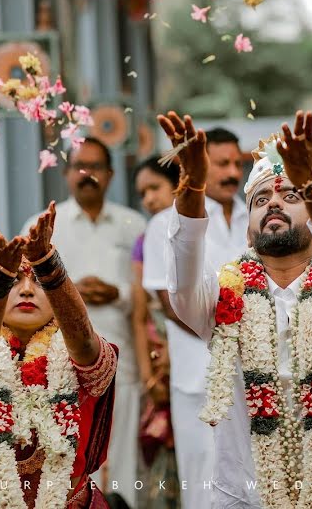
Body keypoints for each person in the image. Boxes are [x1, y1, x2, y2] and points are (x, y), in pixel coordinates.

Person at [158, 110, 312, 507]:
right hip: (245, 495)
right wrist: (192, 186)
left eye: (291, 196)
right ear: (249, 227)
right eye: (260, 199)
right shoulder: (223, 297)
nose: (273, 205)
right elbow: (181, 286)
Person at [0, 207, 118, 508]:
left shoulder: (79, 353)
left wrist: (48, 263)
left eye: (38, 281)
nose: (27, 290)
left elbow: (86, 345)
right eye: (15, 281)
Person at [23, 138, 145, 507]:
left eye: (95, 167)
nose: (87, 174)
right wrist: (69, 291)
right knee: (63, 456)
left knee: (122, 457)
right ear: (66, 174)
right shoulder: (42, 227)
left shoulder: (133, 224)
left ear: (109, 175)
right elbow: (25, 292)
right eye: (79, 166)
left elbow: (149, 294)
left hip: (121, 358)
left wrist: (117, 293)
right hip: (59, 364)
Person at [141, 127, 247, 508]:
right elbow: (169, 301)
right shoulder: (163, 223)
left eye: (237, 163)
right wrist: (230, 336)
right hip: (197, 373)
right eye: (221, 164)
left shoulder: (257, 216)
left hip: (256, 372)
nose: (232, 172)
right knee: (203, 479)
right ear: (199, 167)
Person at [131, 156, 180, 508]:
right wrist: (150, 375)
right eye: (142, 193)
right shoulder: (145, 238)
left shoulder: (203, 230)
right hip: (156, 348)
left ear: (179, 185)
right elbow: (139, 310)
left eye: (154, 188)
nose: (148, 199)